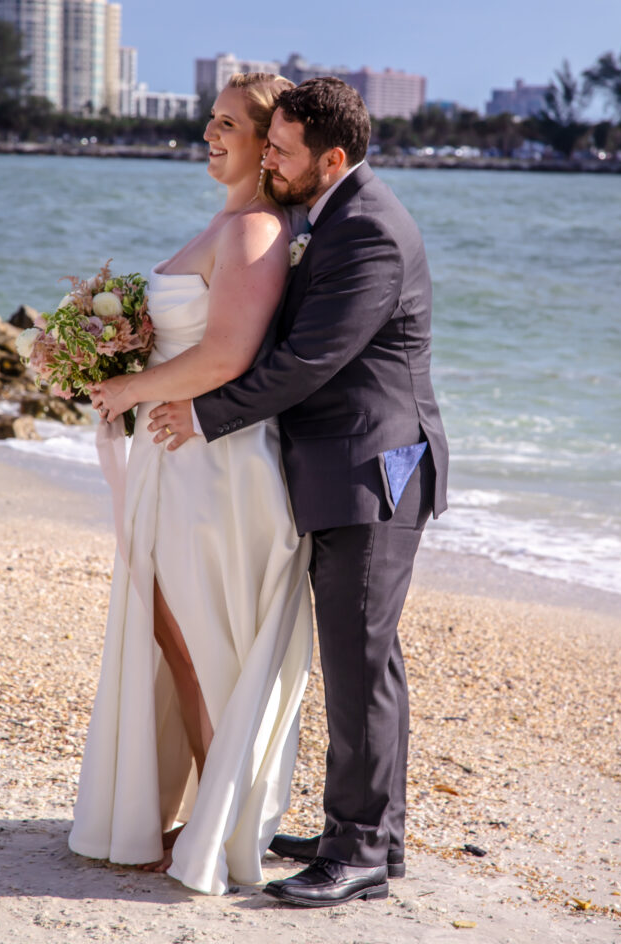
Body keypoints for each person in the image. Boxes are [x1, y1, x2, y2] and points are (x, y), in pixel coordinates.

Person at [147, 78, 449, 908]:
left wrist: (204, 415)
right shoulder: (329, 219)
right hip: (342, 469)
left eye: (280, 151)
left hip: (373, 474)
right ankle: (369, 837)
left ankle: (356, 854)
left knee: (358, 663)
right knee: (367, 661)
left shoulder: (369, 232)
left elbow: (308, 360)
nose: (269, 162)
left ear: (333, 158)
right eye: (267, 145)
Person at [68, 73, 313, 897]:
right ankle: (205, 806)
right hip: (178, 463)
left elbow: (228, 355)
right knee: (174, 641)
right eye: (209, 121)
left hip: (216, 472)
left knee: (205, 648)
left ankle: (216, 823)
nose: (210, 135)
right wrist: (116, 357)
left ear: (265, 146)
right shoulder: (226, 223)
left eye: (229, 125)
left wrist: (126, 389)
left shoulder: (253, 231)